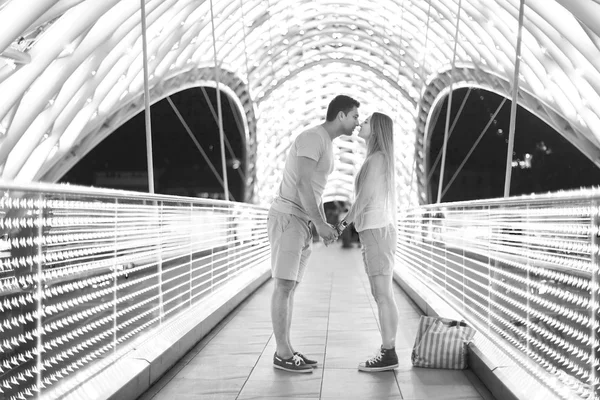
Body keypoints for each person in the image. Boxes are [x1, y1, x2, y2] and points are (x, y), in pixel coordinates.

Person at [268, 95, 360, 373]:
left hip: (301, 221)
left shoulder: (326, 143)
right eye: (355, 116)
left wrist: (318, 224)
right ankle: (282, 354)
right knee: (284, 286)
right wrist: (320, 223)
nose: (357, 122)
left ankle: (287, 349)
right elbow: (303, 183)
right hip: (289, 217)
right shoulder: (312, 138)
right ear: (341, 115)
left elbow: (316, 189)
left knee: (290, 287)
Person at [337, 112, 399, 372]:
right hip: (372, 233)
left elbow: (362, 200)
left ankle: (389, 352)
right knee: (380, 293)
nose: (361, 123)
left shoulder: (378, 159)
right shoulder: (376, 159)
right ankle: (388, 349)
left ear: (376, 130)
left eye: (367, 122)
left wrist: (341, 225)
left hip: (376, 233)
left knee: (383, 294)